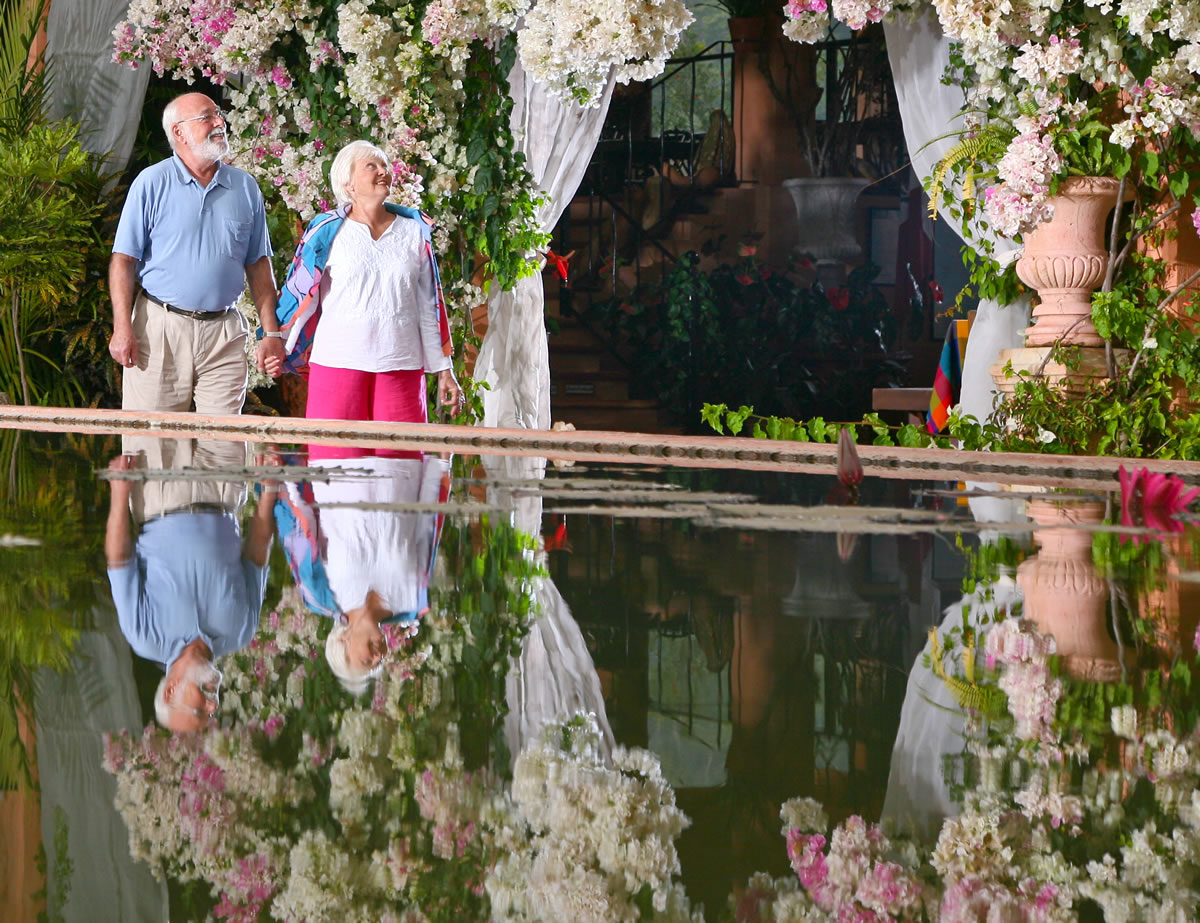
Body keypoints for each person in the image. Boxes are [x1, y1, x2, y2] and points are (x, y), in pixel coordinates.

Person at [255, 140, 460, 448]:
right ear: (347, 183)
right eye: (372, 166)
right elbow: (300, 300)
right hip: (337, 364)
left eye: (385, 166)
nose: (384, 172)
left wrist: (445, 370)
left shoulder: (414, 230)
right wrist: (276, 343)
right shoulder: (325, 231)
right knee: (335, 472)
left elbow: (428, 307)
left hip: (401, 366)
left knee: (400, 474)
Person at [109, 92, 278, 414]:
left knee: (224, 448)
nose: (219, 122)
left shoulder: (245, 187)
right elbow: (123, 260)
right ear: (179, 132)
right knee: (154, 445)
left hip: (224, 332)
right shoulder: (151, 182)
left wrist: (270, 331)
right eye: (206, 117)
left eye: (218, 114)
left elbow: (258, 264)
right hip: (159, 329)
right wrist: (122, 327)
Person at [105, 438, 278, 732]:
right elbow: (256, 554)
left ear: (171, 690)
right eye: (210, 713)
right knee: (227, 393)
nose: (213, 706)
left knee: (155, 392)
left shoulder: (143, 637)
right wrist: (268, 493)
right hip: (222, 488)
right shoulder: (240, 633)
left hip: (157, 489)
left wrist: (119, 494)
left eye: (199, 709)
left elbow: (120, 559)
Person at [273, 449, 450, 692]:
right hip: (401, 460)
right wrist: (442, 463)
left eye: (366, 661)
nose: (379, 658)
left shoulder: (323, 594)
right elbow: (428, 525)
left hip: (336, 459)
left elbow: (301, 528)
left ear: (343, 642)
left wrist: (284, 469)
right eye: (379, 663)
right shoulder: (409, 601)